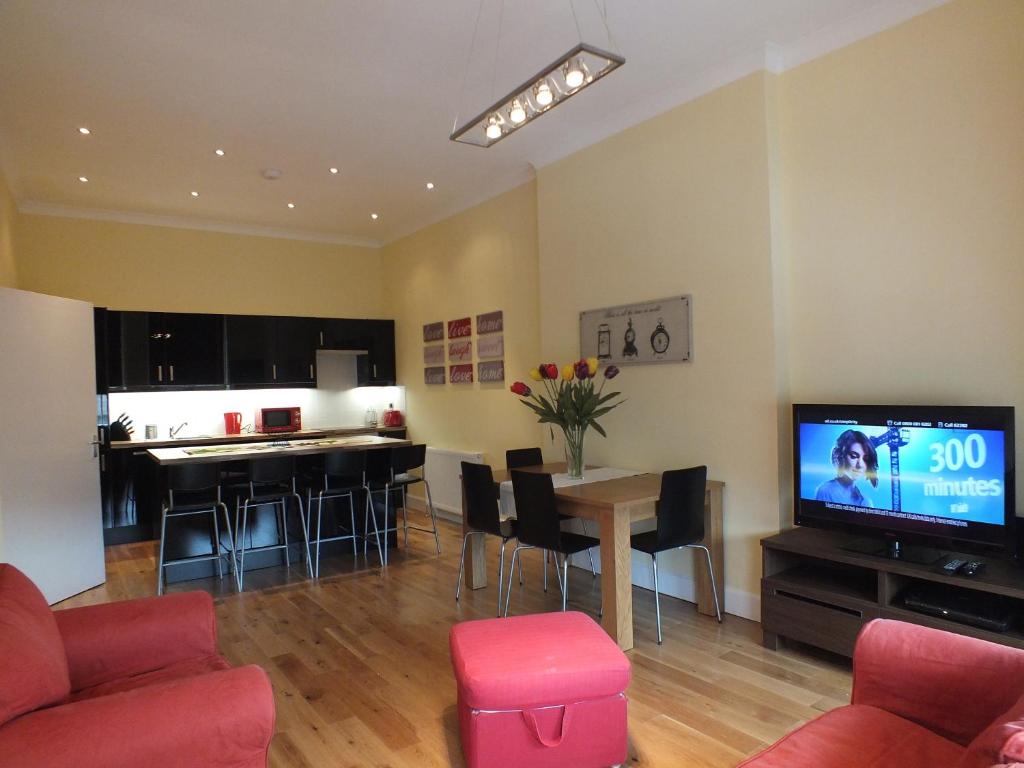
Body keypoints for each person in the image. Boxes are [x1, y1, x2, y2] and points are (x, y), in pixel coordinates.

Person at [815, 429, 879, 507]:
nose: (860, 464)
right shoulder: (825, 491)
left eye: (865, 459)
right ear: (841, 456)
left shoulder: (866, 502)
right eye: (854, 456)